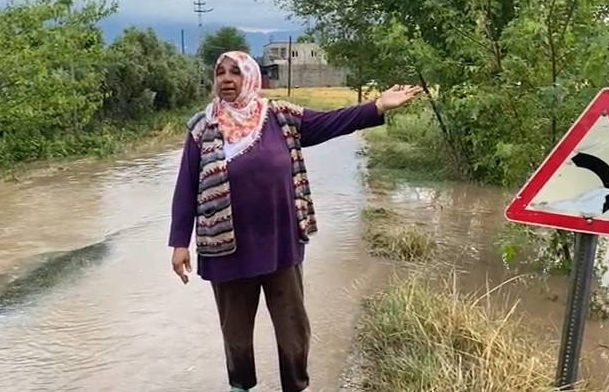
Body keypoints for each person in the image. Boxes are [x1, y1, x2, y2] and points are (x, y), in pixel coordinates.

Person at [168, 50, 421, 392]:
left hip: (281, 243)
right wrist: (179, 243)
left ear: (251, 77)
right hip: (226, 248)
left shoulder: (279, 117)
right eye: (220, 72)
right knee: (236, 330)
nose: (227, 79)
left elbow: (332, 122)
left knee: (292, 327)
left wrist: (377, 106)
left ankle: (295, 385)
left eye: (235, 72)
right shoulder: (202, 127)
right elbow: (186, 186)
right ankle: (240, 386)